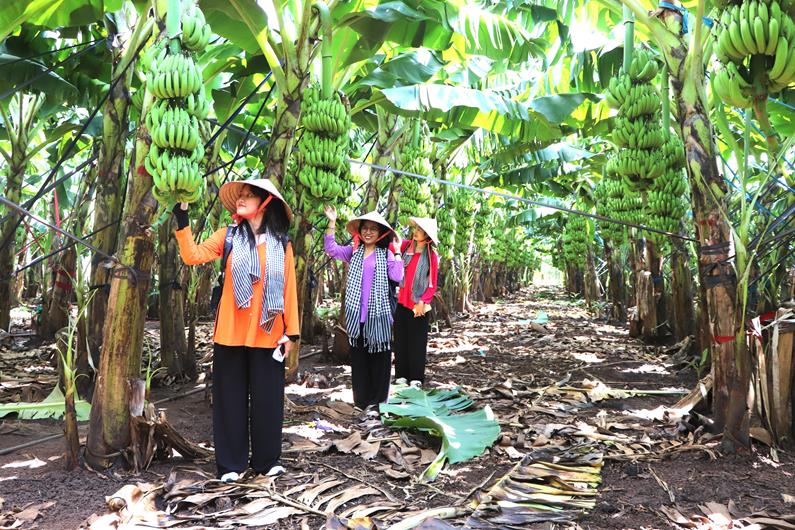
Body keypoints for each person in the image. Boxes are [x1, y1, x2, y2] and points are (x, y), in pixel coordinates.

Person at [173, 178, 299, 483]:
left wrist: (292, 333)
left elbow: (289, 290)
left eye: (249, 195)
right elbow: (192, 255)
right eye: (240, 195)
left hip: (268, 332)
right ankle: (231, 464)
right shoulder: (227, 236)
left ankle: (267, 461)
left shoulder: (282, 243)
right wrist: (182, 215)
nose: (241, 199)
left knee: (267, 401)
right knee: (230, 401)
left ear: (265, 203)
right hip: (230, 332)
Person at [323, 205, 403, 411]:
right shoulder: (354, 252)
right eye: (365, 228)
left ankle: (378, 403)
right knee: (359, 361)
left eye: (373, 229)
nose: (368, 232)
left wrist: (397, 251)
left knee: (380, 361)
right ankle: (361, 401)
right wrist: (332, 222)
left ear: (380, 233)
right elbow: (331, 249)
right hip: (357, 317)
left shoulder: (385, 254)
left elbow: (397, 276)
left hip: (379, 318)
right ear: (359, 231)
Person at [394, 217, 439, 387]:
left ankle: (416, 378)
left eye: (420, 230)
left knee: (417, 341)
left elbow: (432, 283)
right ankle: (401, 375)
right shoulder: (406, 247)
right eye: (416, 228)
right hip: (401, 301)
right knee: (400, 339)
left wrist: (423, 300)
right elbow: (392, 245)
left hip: (419, 304)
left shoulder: (431, 256)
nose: (416, 232)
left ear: (427, 235)